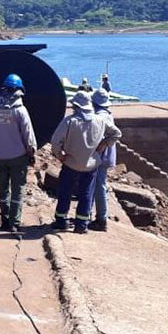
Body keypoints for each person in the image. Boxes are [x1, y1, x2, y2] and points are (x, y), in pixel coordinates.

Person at [49, 91, 121, 234]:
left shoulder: (70, 121)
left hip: (71, 163)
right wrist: (104, 144)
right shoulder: (100, 120)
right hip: (91, 165)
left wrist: (60, 155)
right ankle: (81, 225)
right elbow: (116, 133)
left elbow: (55, 141)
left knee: (65, 192)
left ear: (76, 106)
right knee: (86, 194)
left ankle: (61, 221)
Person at [0, 74, 37, 232]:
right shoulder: (20, 110)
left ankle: (4, 221)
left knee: (3, 189)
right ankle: (14, 223)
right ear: (19, 90)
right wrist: (31, 152)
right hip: (18, 157)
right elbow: (29, 136)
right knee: (17, 190)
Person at [90, 89, 117, 231]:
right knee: (98, 184)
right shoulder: (108, 115)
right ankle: (94, 215)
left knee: (98, 185)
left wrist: (101, 145)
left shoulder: (100, 116)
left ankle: (101, 219)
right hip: (106, 156)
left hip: (101, 156)